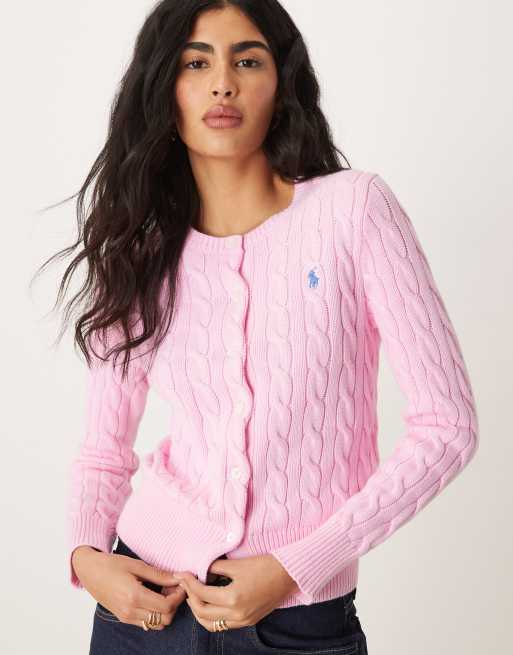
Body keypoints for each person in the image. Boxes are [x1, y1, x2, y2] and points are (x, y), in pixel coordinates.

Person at [52, 1, 479, 653]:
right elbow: (103, 449)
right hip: (141, 608)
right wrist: (87, 556)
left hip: (296, 619)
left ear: (282, 84)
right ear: (164, 88)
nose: (222, 84)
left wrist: (297, 564)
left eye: (247, 61)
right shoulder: (142, 249)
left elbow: (447, 427)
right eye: (196, 63)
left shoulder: (354, 211)